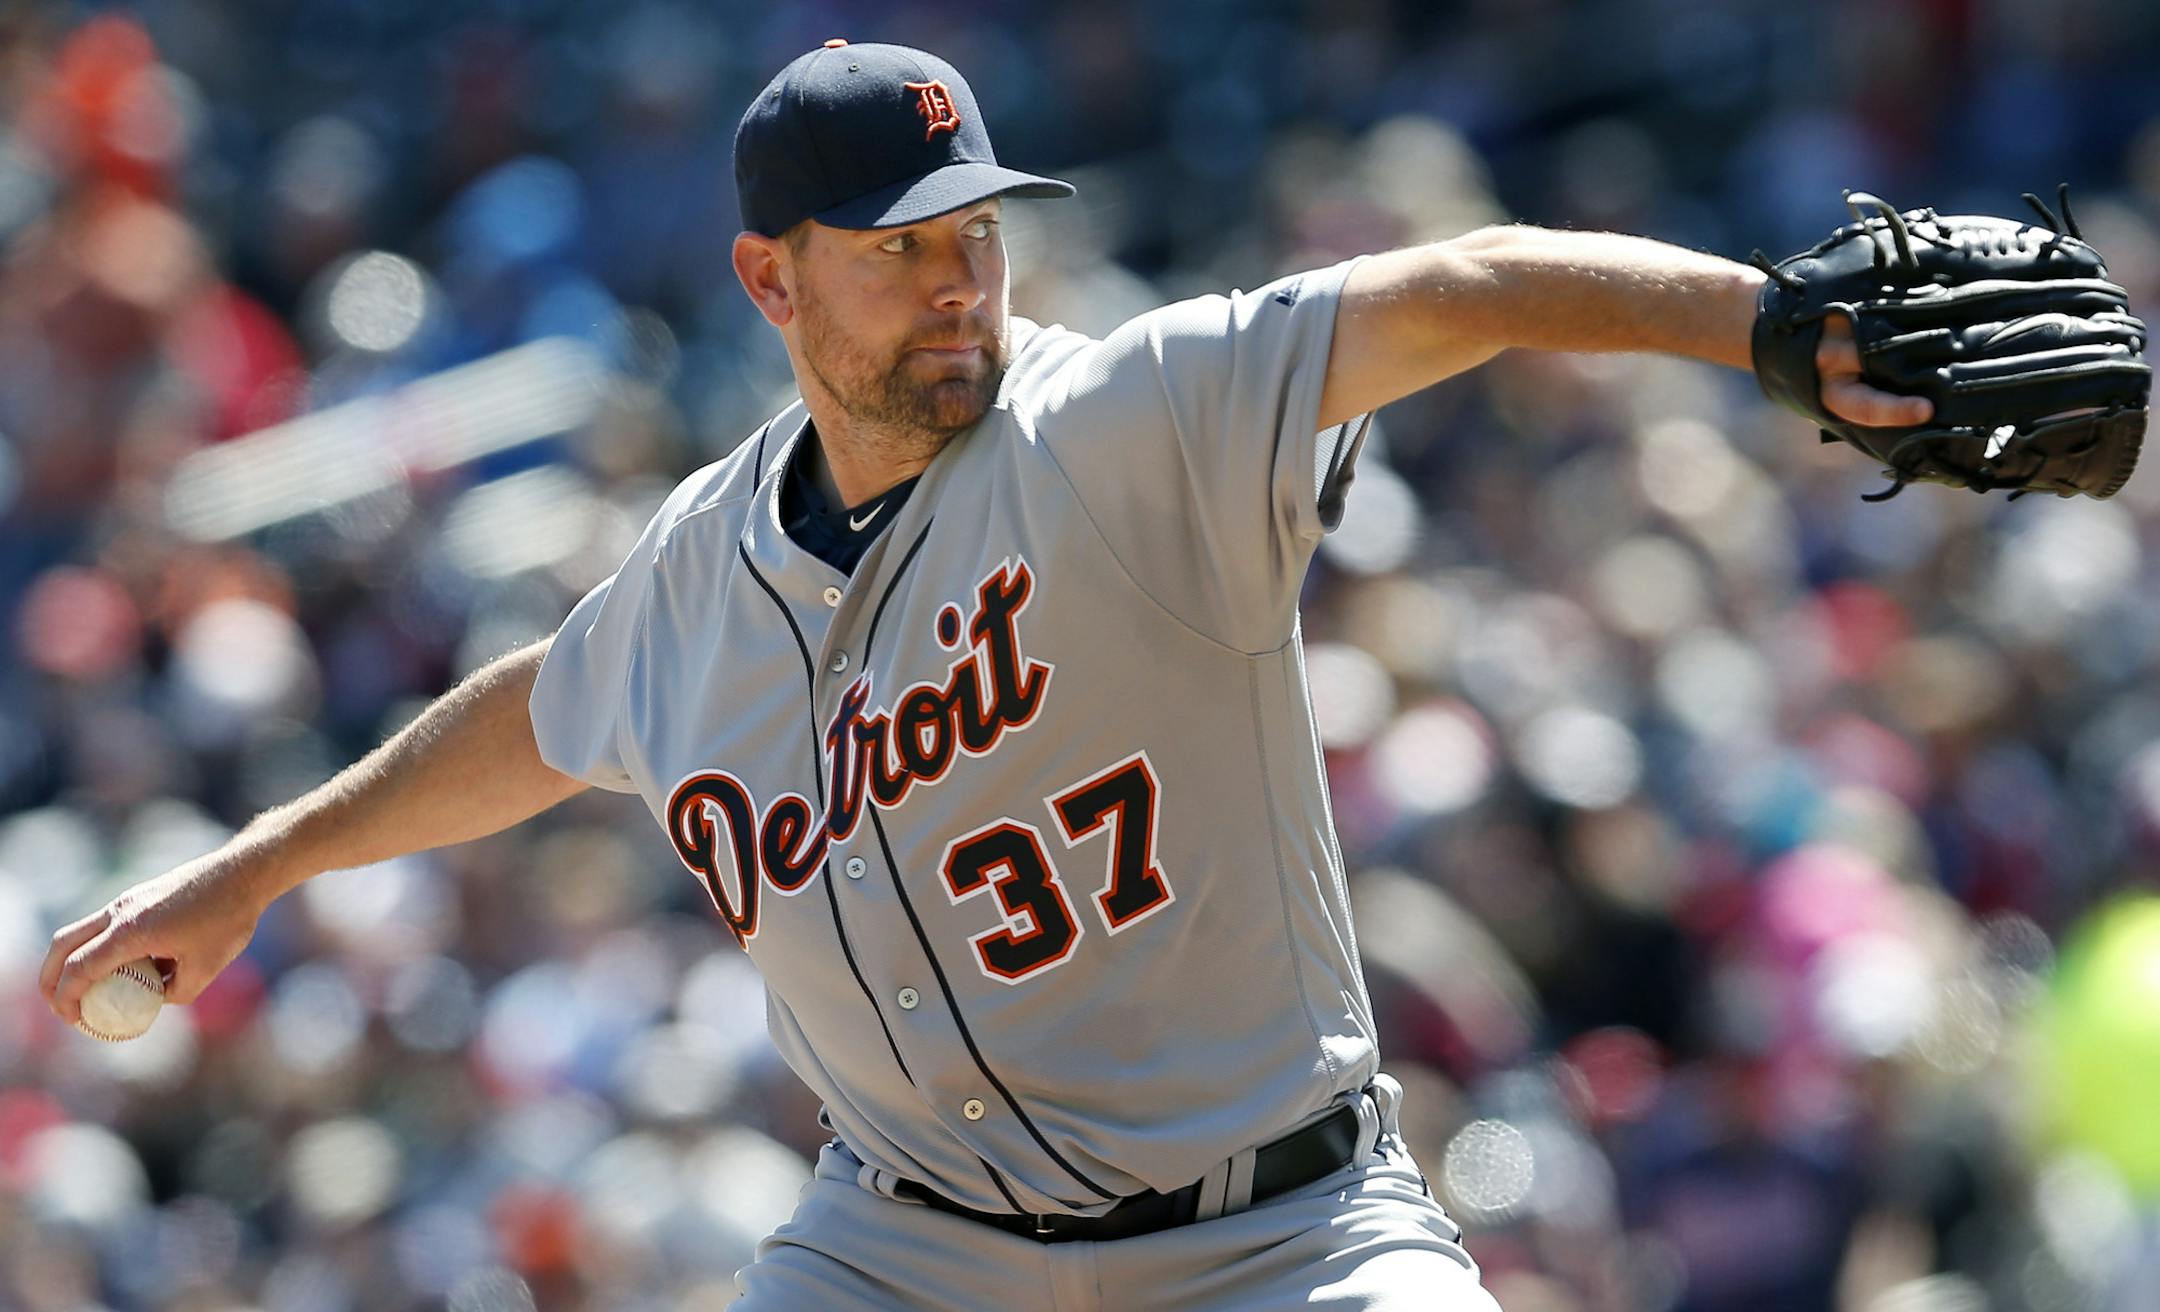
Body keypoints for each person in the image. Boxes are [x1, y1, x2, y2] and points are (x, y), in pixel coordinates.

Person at [40, 39, 1927, 1311]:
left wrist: (1762, 321)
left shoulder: (1124, 417)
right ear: (771, 285)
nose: (961, 281)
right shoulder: (702, 571)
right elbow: (536, 718)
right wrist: (264, 866)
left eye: (979, 233)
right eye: (901, 250)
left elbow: (1467, 286)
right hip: (912, 1255)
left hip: (1281, 1235)